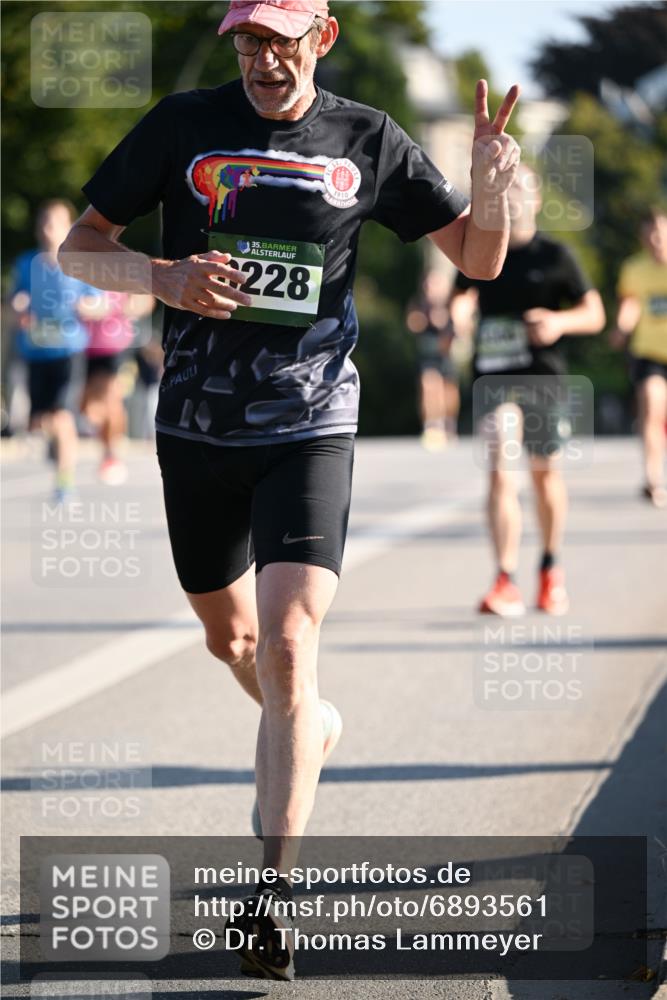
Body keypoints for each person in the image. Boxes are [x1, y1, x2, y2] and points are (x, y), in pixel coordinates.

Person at [60, 0, 520, 979]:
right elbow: (79, 245)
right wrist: (164, 276)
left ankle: (270, 898)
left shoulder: (369, 138)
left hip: (310, 423)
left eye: (282, 39)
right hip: (194, 426)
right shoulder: (185, 126)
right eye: (249, 42)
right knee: (233, 641)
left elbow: (478, 258)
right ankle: (301, 720)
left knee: (287, 640)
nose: (265, 60)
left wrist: (493, 185)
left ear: (322, 39)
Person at [449, 165, 605, 617]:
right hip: (494, 379)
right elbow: (461, 293)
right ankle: (504, 579)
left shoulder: (555, 255)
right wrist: (458, 314)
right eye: (507, 187)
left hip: (543, 379)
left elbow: (594, 313)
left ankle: (550, 569)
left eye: (522, 188)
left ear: (536, 200)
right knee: (500, 466)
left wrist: (558, 322)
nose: (513, 195)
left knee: (544, 475)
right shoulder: (483, 251)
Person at [10, 199, 96, 502]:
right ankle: (57, 445)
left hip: (68, 351)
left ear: (68, 228)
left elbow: (99, 303)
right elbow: (14, 300)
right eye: (43, 222)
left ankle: (65, 481)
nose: (47, 229)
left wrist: (88, 307)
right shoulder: (24, 263)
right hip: (35, 351)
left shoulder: (79, 264)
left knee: (61, 416)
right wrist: (17, 306)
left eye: (55, 223)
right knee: (42, 420)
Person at [611, 206, 667, 508]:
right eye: (649, 234)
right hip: (650, 352)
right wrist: (622, 326)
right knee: (651, 405)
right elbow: (630, 304)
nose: (655, 239)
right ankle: (652, 478)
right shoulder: (634, 269)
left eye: (659, 232)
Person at [80, 290, 155, 483]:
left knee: (112, 399)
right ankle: (107, 449)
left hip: (116, 347)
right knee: (90, 408)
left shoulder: (123, 266)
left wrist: (121, 307)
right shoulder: (79, 265)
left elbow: (145, 300)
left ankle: (111, 452)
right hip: (84, 348)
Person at [406, 269, 460, 450]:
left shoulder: (450, 304)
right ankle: (432, 426)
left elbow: (461, 328)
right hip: (427, 355)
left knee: (448, 391)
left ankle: (448, 423)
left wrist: (446, 322)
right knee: (429, 386)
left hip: (445, 354)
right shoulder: (419, 303)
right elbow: (412, 324)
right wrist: (422, 319)